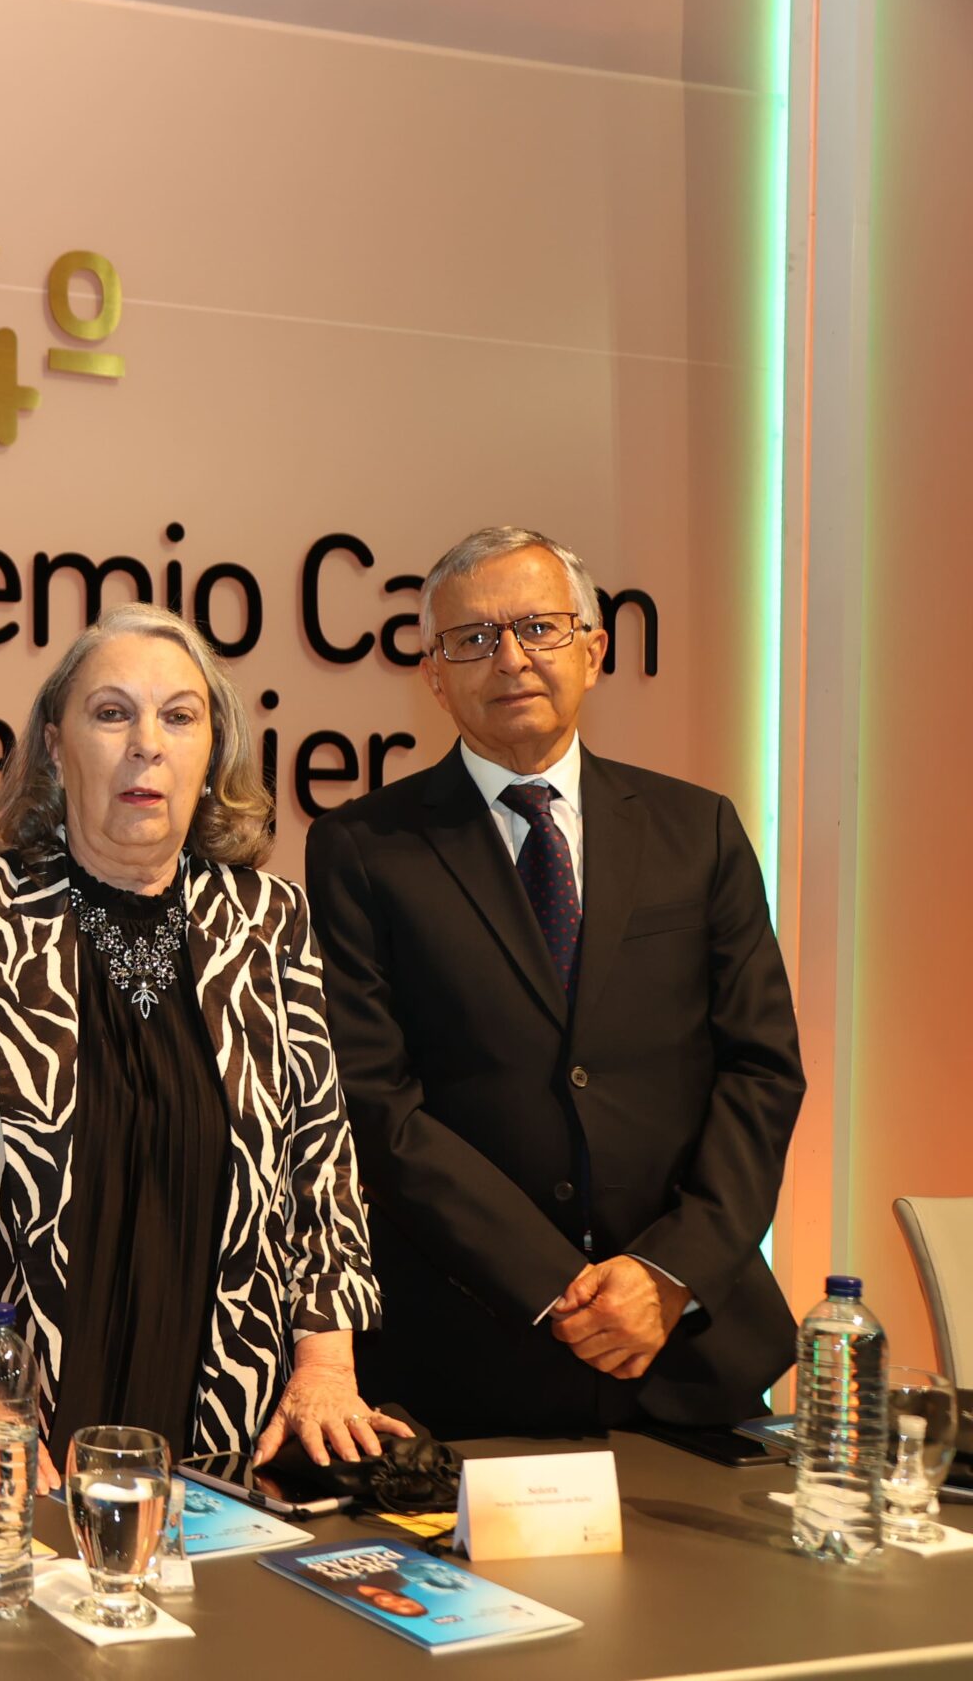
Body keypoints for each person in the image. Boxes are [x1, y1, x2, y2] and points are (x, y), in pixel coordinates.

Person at [0, 603, 399, 1481]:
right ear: (55, 747)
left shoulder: (270, 920)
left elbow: (320, 1167)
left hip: (221, 1442)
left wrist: (326, 1366)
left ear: (212, 753)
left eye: (179, 716)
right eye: (112, 713)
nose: (147, 744)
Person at [306, 526, 804, 1436]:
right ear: (434, 675)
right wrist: (556, 1287)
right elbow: (376, 1103)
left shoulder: (698, 831)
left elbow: (761, 1070)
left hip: (690, 1351)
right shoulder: (363, 849)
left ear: (594, 650)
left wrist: (669, 1272)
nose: (510, 658)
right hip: (471, 1353)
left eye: (539, 627)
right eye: (472, 638)